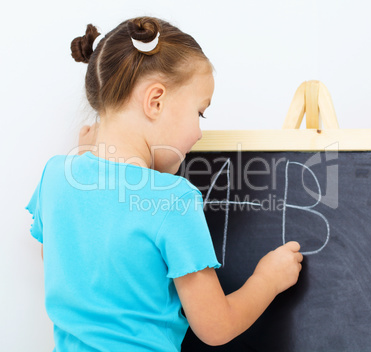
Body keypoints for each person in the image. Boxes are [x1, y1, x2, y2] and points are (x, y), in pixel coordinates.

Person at [25, 16, 303, 352]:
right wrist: (267, 280)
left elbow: (62, 257)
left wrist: (88, 157)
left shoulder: (55, 176)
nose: (199, 133)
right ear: (155, 101)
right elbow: (216, 326)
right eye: (200, 113)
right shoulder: (172, 200)